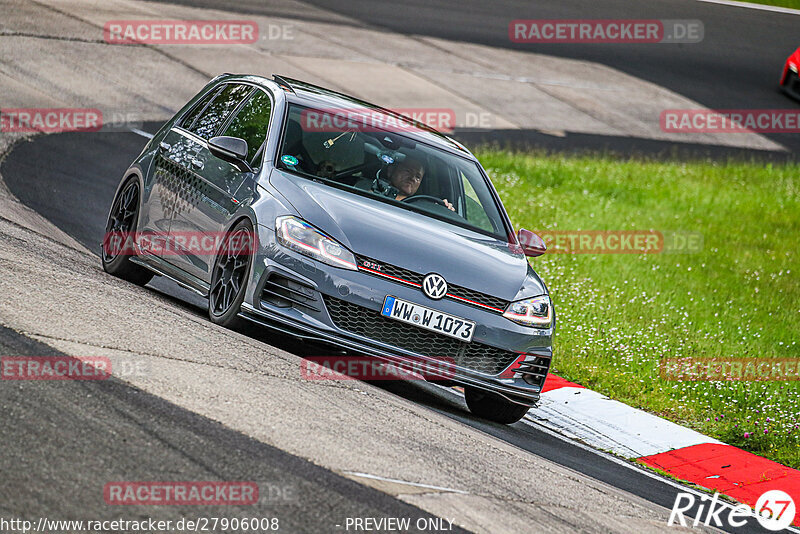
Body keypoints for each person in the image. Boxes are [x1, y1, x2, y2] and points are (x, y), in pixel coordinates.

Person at [365, 156, 455, 211]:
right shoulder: (369, 191)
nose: (412, 178)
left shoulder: (424, 207)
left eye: (418, 177)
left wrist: (442, 210)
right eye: (408, 171)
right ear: (391, 170)